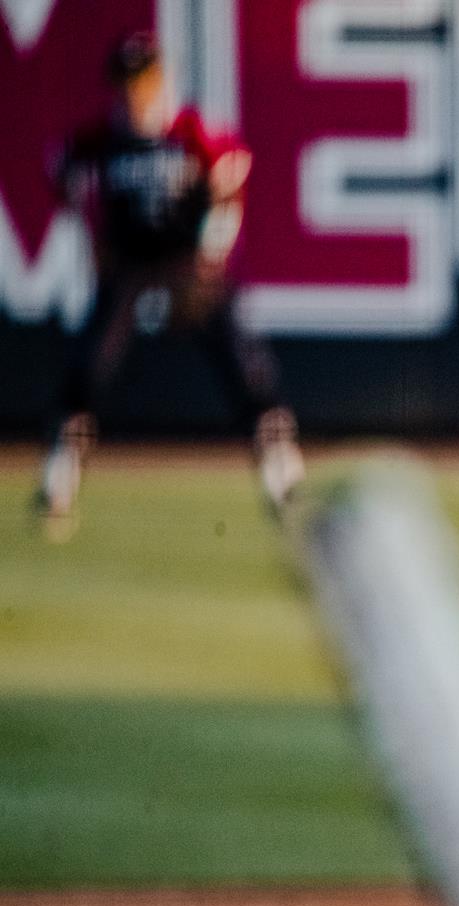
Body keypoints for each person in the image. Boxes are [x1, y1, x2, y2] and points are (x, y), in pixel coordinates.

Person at [32, 28, 303, 538]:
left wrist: (211, 253)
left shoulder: (189, 132)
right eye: (128, 81)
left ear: (163, 80)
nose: (137, 92)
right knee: (90, 364)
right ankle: (59, 476)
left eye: (145, 80)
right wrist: (89, 240)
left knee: (243, 362)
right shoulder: (104, 139)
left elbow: (232, 180)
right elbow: (62, 170)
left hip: (186, 264)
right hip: (130, 266)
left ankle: (282, 471)